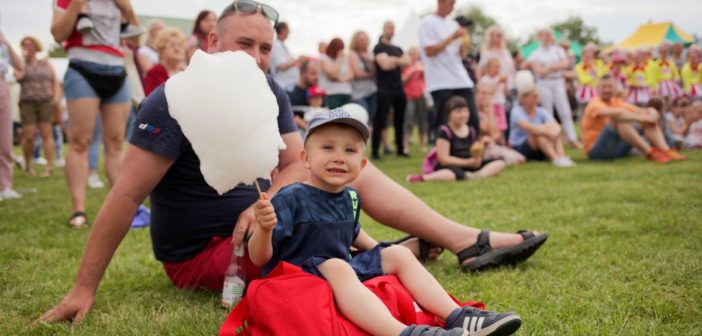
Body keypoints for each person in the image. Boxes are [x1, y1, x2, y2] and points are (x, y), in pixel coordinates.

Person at [39, 2, 547, 325]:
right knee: (320, 243)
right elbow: (127, 195)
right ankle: (406, 249)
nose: (258, 58)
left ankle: (460, 239)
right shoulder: (170, 102)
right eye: (245, 44)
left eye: (266, 48)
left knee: (341, 158)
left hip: (272, 225)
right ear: (211, 44)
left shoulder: (269, 89)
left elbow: (297, 162)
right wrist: (84, 289)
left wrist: (273, 199)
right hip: (205, 252)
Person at [251, 110, 521, 336]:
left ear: (362, 162)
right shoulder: (292, 197)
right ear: (306, 158)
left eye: (350, 150)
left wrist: (384, 252)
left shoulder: (350, 198)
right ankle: (402, 333)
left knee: (398, 254)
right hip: (298, 277)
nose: (339, 156)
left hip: (339, 270)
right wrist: (264, 228)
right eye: (327, 147)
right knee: (336, 265)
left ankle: (457, 316)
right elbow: (259, 257)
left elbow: (354, 236)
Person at [52, 0, 132, 227]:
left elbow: (134, 38)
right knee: (80, 142)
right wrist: (77, 5)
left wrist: (127, 9)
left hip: (117, 68)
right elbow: (58, 34)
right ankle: (78, 210)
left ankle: (120, 210)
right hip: (82, 68)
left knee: (116, 142)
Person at [582, 74, 686, 163]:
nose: (607, 90)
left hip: (616, 148)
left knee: (643, 116)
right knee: (618, 119)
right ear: (598, 88)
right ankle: (649, 153)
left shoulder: (616, 101)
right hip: (596, 150)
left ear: (615, 88)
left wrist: (651, 112)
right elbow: (613, 113)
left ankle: (666, 150)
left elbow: (640, 110)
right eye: (604, 87)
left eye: (610, 87)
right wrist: (642, 119)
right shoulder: (595, 103)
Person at [406, 96, 506, 183]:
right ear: (449, 114)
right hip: (452, 166)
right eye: (458, 112)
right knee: (451, 175)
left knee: (499, 162)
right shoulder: (444, 131)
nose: (463, 115)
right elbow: (444, 159)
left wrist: (482, 146)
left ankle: (478, 175)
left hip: (469, 164)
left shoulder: (471, 130)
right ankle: (425, 178)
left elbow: (475, 152)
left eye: (465, 111)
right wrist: (468, 162)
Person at [418, 0, 479, 134]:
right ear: (441, 2)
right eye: (451, 3)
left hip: (461, 78)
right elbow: (429, 51)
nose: (453, 7)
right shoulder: (427, 22)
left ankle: (471, 151)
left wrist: (464, 47)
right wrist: (452, 37)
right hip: (440, 81)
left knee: (473, 119)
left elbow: (460, 55)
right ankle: (443, 153)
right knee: (444, 122)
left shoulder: (453, 24)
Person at [14, 36, 61, 177]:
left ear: (36, 46)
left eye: (30, 44)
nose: (27, 47)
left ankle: (49, 166)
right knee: (29, 135)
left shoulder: (46, 63)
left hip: (46, 101)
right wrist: (23, 62)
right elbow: (18, 77)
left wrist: (56, 98)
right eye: (25, 45)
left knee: (47, 134)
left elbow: (55, 82)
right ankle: (28, 164)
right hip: (27, 103)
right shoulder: (20, 63)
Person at [527, 29, 581, 149]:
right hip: (544, 83)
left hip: (557, 82)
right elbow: (538, 71)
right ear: (540, 37)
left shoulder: (558, 51)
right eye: (545, 35)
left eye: (549, 35)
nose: (548, 37)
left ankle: (572, 138)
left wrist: (548, 68)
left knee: (565, 112)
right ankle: (551, 138)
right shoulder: (536, 53)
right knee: (548, 111)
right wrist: (555, 67)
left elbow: (564, 64)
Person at [508, 85, 577, 167]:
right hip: (520, 148)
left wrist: (550, 131)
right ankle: (555, 158)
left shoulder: (541, 111)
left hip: (541, 145)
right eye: (534, 97)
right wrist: (547, 131)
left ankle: (562, 157)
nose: (537, 99)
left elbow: (556, 127)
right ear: (524, 98)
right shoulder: (516, 112)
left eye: (537, 97)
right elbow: (528, 127)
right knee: (540, 134)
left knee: (550, 131)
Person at [373, 21, 409, 159]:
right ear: (383, 29)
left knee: (400, 120)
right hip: (384, 90)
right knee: (380, 120)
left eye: (393, 28)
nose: (391, 30)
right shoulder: (378, 47)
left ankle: (400, 149)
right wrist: (398, 60)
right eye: (389, 27)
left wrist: (392, 59)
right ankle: (376, 150)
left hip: (398, 89)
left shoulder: (398, 48)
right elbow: (385, 65)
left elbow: (407, 62)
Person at [0, 31, 24, 200]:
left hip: (2, 84)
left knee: (5, 141)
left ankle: (5, 186)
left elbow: (19, 65)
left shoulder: (3, 44)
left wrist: (6, 41)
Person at [476, 86, 525, 165]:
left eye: (489, 95)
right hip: (481, 147)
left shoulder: (492, 112)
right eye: (483, 94)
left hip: (493, 144)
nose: (486, 97)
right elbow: (488, 129)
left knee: (521, 159)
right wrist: (490, 111)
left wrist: (490, 110)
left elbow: (498, 133)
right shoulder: (474, 114)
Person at [142, 28, 187, 96]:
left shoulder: (187, 72)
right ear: (161, 50)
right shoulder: (154, 74)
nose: (177, 49)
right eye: (172, 45)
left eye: (180, 46)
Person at [402, 46, 428, 152]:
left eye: (416, 55)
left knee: (422, 120)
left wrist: (422, 71)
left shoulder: (421, 65)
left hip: (421, 95)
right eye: (412, 54)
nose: (414, 57)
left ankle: (422, 144)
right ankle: (406, 146)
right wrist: (413, 72)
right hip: (410, 97)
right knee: (409, 121)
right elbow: (403, 81)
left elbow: (426, 77)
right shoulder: (405, 68)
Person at [348, 31, 377, 125]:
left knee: (372, 121)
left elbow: (377, 71)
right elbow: (357, 74)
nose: (364, 42)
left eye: (365, 39)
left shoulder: (371, 54)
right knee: (362, 120)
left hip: (372, 92)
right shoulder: (352, 54)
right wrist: (371, 74)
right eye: (361, 40)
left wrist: (370, 60)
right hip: (358, 94)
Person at [319, 37, 353, 109]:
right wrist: (339, 59)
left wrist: (340, 79)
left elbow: (351, 74)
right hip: (332, 94)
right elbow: (333, 74)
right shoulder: (324, 58)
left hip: (346, 93)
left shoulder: (345, 58)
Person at [478, 57, 509, 135]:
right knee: (494, 128)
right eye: (495, 67)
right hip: (491, 106)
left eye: (499, 67)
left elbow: (506, 93)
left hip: (500, 105)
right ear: (488, 67)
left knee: (502, 128)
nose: (497, 69)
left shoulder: (498, 79)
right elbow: (490, 92)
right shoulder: (484, 80)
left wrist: (505, 83)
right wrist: (498, 82)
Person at [270, 22, 300, 91]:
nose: (289, 32)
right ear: (282, 30)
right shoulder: (276, 45)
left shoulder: (281, 45)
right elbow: (281, 65)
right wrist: (297, 61)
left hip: (287, 86)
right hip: (283, 86)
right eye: (288, 30)